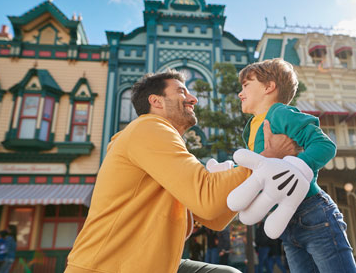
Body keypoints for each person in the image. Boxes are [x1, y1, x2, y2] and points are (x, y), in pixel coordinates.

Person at [65, 70, 298, 273]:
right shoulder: (149, 127)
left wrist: (247, 173)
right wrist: (265, 159)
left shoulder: (161, 144)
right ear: (156, 101)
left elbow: (213, 216)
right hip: (106, 267)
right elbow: (207, 198)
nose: (193, 98)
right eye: (181, 92)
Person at [237, 58, 356, 272]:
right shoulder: (250, 129)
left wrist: (297, 167)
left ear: (268, 87)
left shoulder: (280, 113)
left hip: (313, 211)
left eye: (246, 85)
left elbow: (324, 144)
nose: (240, 92)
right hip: (285, 224)